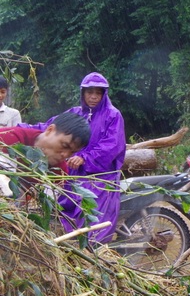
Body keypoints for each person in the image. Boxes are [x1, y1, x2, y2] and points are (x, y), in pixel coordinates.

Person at [25, 73, 126, 243]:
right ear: (83, 93)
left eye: (98, 93)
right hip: (74, 177)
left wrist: (85, 157)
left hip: (99, 180)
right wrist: (23, 130)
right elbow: (50, 127)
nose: (93, 97)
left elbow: (112, 145)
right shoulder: (75, 113)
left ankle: (94, 257)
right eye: (89, 92)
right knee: (66, 216)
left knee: (93, 223)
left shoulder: (113, 115)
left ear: (104, 95)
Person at [0, 111, 91, 196]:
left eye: (72, 152)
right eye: (64, 145)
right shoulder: (8, 138)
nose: (65, 155)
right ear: (50, 130)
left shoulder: (59, 173)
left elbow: (40, 205)